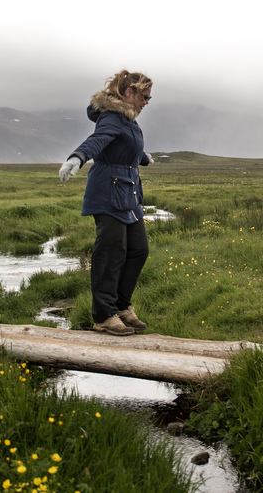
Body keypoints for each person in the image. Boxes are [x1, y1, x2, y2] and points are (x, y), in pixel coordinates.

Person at [59, 69, 154, 336]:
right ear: (129, 92)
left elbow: (124, 144)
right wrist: (77, 158)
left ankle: (122, 307)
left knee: (138, 249)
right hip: (107, 192)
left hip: (128, 193)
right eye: (144, 96)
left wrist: (143, 157)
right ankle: (103, 315)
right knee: (111, 252)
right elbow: (98, 141)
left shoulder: (129, 119)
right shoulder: (113, 117)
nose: (147, 102)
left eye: (149, 98)